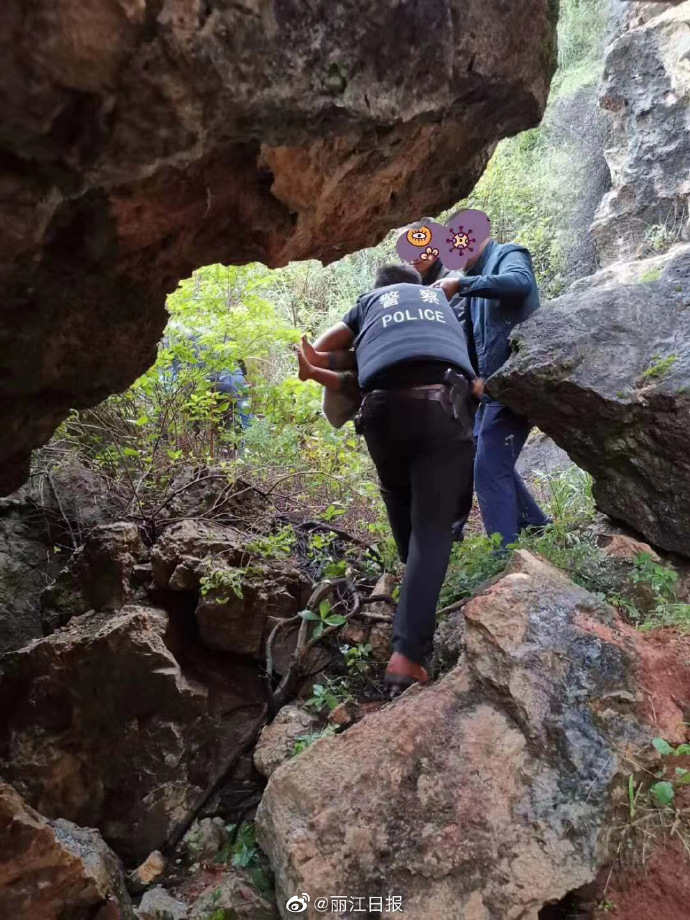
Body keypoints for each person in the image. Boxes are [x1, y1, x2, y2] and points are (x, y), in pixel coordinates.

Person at [297, 263, 478, 692]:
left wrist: (333, 358)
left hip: (381, 415)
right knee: (433, 529)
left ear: (379, 290)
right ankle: (408, 655)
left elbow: (317, 349)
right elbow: (464, 368)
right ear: (419, 287)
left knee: (398, 496)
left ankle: (409, 574)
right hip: (441, 408)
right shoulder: (442, 301)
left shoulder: (368, 305)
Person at [435, 236, 550, 549]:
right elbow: (475, 340)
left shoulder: (509, 254)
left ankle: (506, 554)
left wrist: (461, 284)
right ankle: (536, 525)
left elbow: (520, 283)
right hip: (494, 389)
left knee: (487, 470)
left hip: (516, 383)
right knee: (488, 459)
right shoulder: (474, 289)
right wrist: (476, 380)